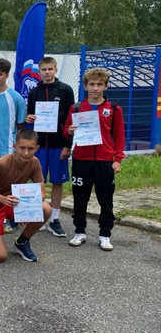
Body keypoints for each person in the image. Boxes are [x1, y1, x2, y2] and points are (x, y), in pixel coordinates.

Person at [63, 67, 125, 251]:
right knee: (79, 199)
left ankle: (105, 234)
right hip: (81, 160)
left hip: (105, 161)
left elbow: (119, 136)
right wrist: (70, 131)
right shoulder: (76, 108)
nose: (95, 88)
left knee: (105, 200)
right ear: (86, 86)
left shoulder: (113, 108)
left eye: (99, 84)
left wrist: (117, 159)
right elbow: (65, 131)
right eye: (92, 84)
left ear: (106, 86)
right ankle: (79, 232)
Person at [0, 129, 52, 263]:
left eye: (30, 149)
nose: (26, 152)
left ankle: (22, 241)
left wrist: (28, 211)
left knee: (46, 208)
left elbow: (42, 192)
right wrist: (1, 198)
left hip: (14, 204)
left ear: (37, 148)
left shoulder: (34, 162)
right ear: (14, 146)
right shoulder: (2, 163)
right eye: (22, 148)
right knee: (0, 257)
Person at [26, 56, 76, 237]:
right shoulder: (34, 92)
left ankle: (54, 219)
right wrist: (29, 118)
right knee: (37, 181)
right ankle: (38, 215)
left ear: (55, 70)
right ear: (39, 72)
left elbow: (71, 119)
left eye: (50, 69)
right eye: (44, 69)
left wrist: (67, 145)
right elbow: (29, 116)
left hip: (58, 145)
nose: (47, 72)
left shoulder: (65, 90)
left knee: (57, 181)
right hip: (39, 146)